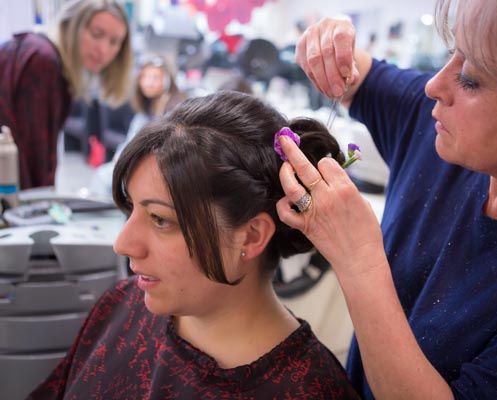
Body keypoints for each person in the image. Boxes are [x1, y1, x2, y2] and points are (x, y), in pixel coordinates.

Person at [277, 0, 497, 399]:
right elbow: (356, 72)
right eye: (452, 55)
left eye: (469, 78)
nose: (434, 86)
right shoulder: (439, 124)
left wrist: (358, 260)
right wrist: (330, 41)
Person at [27, 91, 360, 399]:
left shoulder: (309, 389)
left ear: (252, 235)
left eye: (161, 219)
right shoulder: (122, 306)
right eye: (132, 209)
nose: (123, 244)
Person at [0, 0, 132, 189]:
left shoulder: (38, 51)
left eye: (114, 42)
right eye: (96, 34)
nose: (103, 49)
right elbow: (35, 155)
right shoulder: (43, 61)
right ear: (72, 25)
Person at [88, 54, 186, 197]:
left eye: (155, 77)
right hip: (137, 161)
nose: (148, 83)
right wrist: (120, 156)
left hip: (157, 168)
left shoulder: (173, 110)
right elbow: (131, 138)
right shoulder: (146, 109)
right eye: (144, 77)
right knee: (103, 175)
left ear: (167, 80)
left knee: (105, 179)